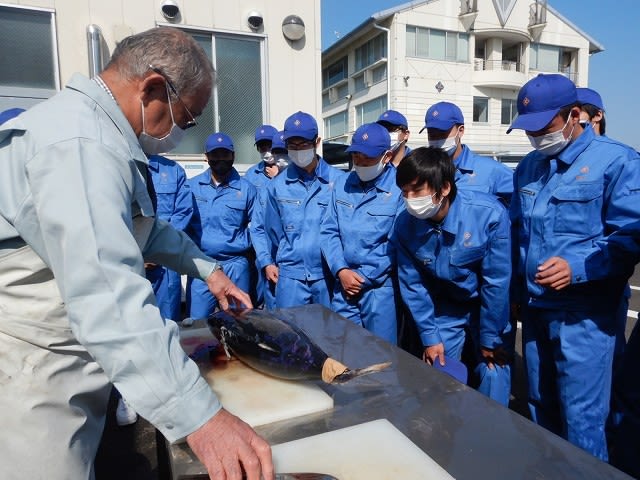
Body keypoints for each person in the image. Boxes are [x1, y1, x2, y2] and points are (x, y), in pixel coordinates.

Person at [0, 27, 273, 480]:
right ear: (151, 88)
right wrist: (202, 418)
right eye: (187, 118)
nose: (181, 135)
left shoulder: (91, 132)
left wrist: (207, 271)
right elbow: (108, 297)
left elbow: (141, 231)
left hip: (62, 359)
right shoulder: (81, 146)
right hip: (31, 373)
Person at [507, 73, 640, 461]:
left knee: (582, 418)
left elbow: (630, 236)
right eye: (529, 130)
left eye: (543, 127)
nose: (536, 137)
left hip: (585, 316)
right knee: (539, 404)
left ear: (575, 115)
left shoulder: (617, 161)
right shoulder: (528, 167)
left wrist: (577, 267)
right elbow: (519, 236)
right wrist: (516, 294)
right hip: (535, 311)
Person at [390, 147, 512, 405]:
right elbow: (413, 285)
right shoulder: (405, 225)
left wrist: (491, 336)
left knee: (494, 373)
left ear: (444, 188)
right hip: (444, 309)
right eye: (404, 192)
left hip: (485, 309)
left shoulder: (488, 214)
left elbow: (496, 281)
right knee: (438, 377)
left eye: (416, 190)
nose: (410, 199)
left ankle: (492, 436)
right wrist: (430, 337)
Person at [321, 123, 403, 344]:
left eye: (367, 157)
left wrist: (364, 278)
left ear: (386, 156)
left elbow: (397, 244)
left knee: (380, 356)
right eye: (355, 155)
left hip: (378, 288)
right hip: (344, 285)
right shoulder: (342, 184)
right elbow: (329, 231)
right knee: (341, 351)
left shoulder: (400, 189)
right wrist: (341, 270)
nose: (359, 162)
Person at [257, 111, 345, 308]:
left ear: (317, 142)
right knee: (290, 334)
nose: (297, 150)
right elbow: (271, 230)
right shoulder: (277, 186)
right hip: (290, 276)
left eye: (303, 144)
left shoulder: (339, 181)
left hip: (327, 275)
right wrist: (269, 261)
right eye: (292, 146)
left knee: (329, 334)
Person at [185, 132, 258, 322]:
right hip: (202, 264)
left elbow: (258, 228)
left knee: (240, 321)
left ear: (233, 156)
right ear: (206, 156)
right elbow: (182, 224)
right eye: (215, 155)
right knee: (198, 324)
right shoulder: (192, 187)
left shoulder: (247, 189)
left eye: (225, 154)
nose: (220, 159)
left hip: (236, 264)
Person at [421, 101, 513, 205]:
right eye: (431, 135)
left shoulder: (493, 171)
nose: (437, 139)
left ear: (460, 131)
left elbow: (517, 211)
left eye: (442, 133)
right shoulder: (423, 171)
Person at [244, 127, 288, 308]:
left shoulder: (288, 171)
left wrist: (280, 176)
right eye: (262, 146)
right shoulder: (251, 174)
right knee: (262, 288)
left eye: (269, 145)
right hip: (263, 244)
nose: (266, 151)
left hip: (287, 246)